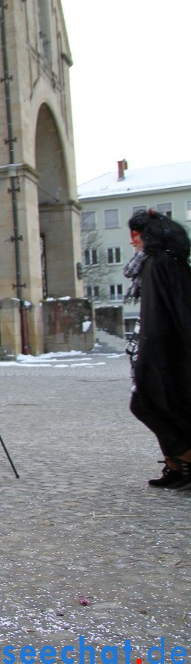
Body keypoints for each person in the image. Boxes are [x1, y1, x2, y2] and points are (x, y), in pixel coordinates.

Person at [123, 209, 191, 489]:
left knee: (152, 406)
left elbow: (180, 310)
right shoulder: (153, 263)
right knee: (151, 405)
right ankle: (178, 467)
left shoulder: (163, 263)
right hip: (156, 348)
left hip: (168, 351)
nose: (132, 241)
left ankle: (185, 462)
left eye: (135, 235)